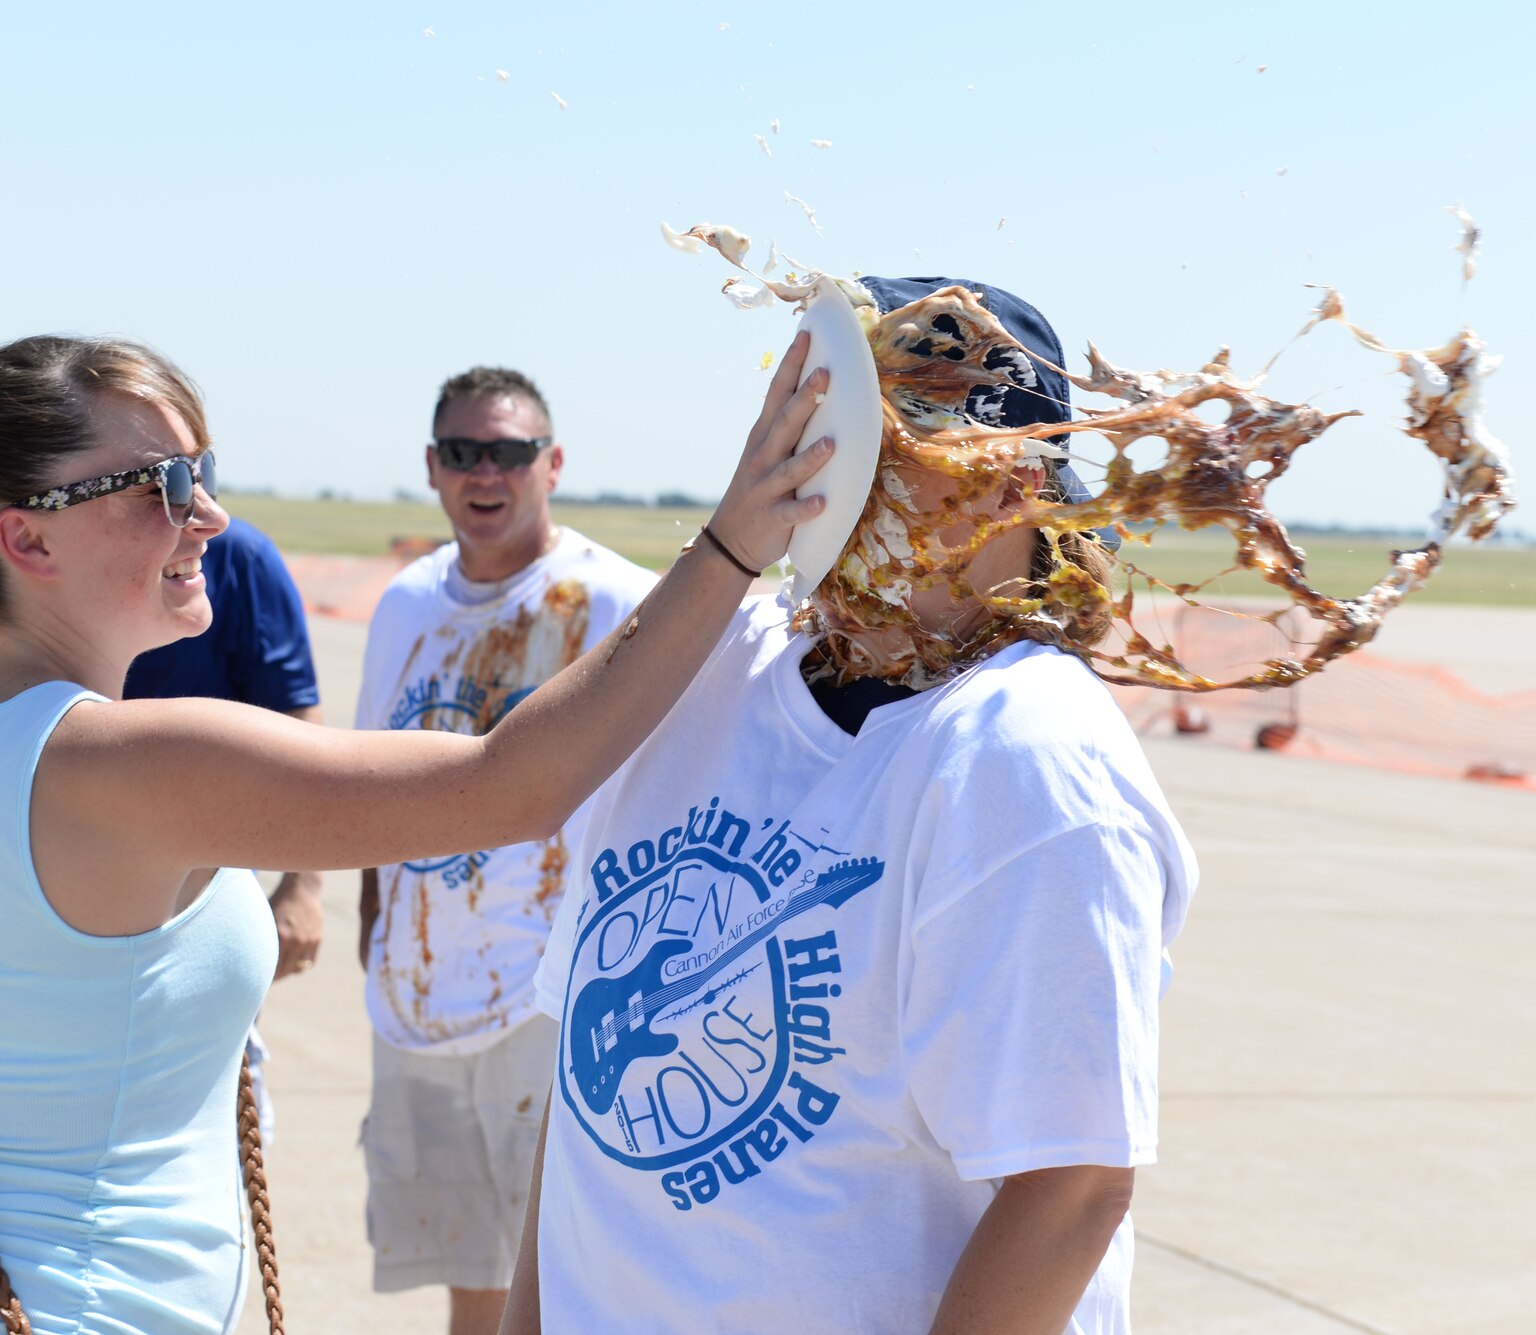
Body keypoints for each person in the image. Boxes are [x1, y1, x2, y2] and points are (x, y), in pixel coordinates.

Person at [0, 332, 832, 1333]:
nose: (208, 516)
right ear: (26, 537)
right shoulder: (122, 761)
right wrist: (733, 547)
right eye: (161, 486)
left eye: (201, 476)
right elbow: (515, 785)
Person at [500, 278, 1200, 1334]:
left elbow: (1067, 1189)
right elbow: (585, 1105)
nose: (827, 475)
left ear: (1009, 483)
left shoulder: (1022, 756)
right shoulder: (706, 666)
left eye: (886, 444)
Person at [352, 366, 659, 1333]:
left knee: (564, 1278)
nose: (486, 471)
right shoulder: (405, 603)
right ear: (434, 469)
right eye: (462, 452)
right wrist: (373, 931)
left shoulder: (616, 600)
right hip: (417, 1000)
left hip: (554, 1001)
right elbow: (371, 783)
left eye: (511, 450)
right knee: (469, 1279)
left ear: (552, 463)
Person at [126, 516, 326, 1141]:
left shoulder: (238, 559)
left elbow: (299, 726)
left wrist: (305, 884)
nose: (202, 512)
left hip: (199, 910)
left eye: (199, 471)